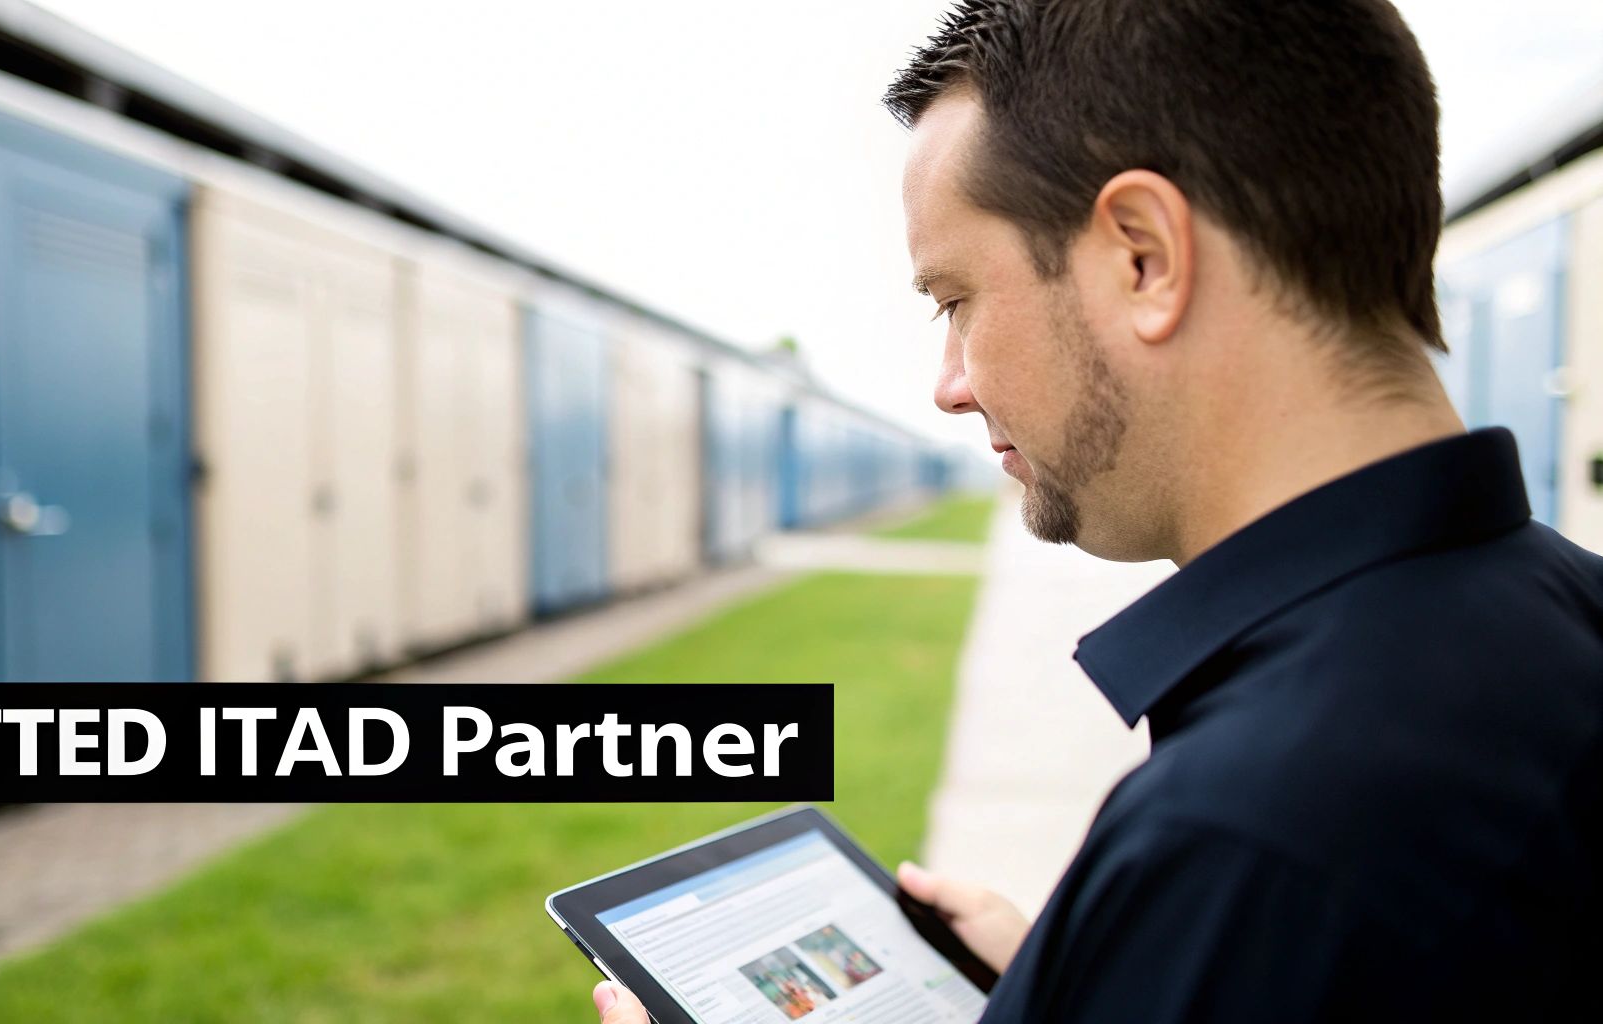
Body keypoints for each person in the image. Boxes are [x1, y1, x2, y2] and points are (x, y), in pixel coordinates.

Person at [594, 1, 1603, 1020]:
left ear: (1142, 257)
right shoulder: (1566, 611)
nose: (949, 385)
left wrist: (1160, 935)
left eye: (955, 301)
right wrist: (1090, 975)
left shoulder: (1243, 836)